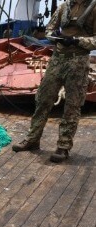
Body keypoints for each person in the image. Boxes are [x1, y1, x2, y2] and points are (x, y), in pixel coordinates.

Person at [12, 0, 96, 163]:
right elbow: (50, 28)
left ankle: (63, 147)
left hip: (78, 60)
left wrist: (77, 41)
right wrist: (55, 37)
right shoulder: (64, 7)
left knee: (72, 105)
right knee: (43, 99)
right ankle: (32, 139)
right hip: (57, 59)